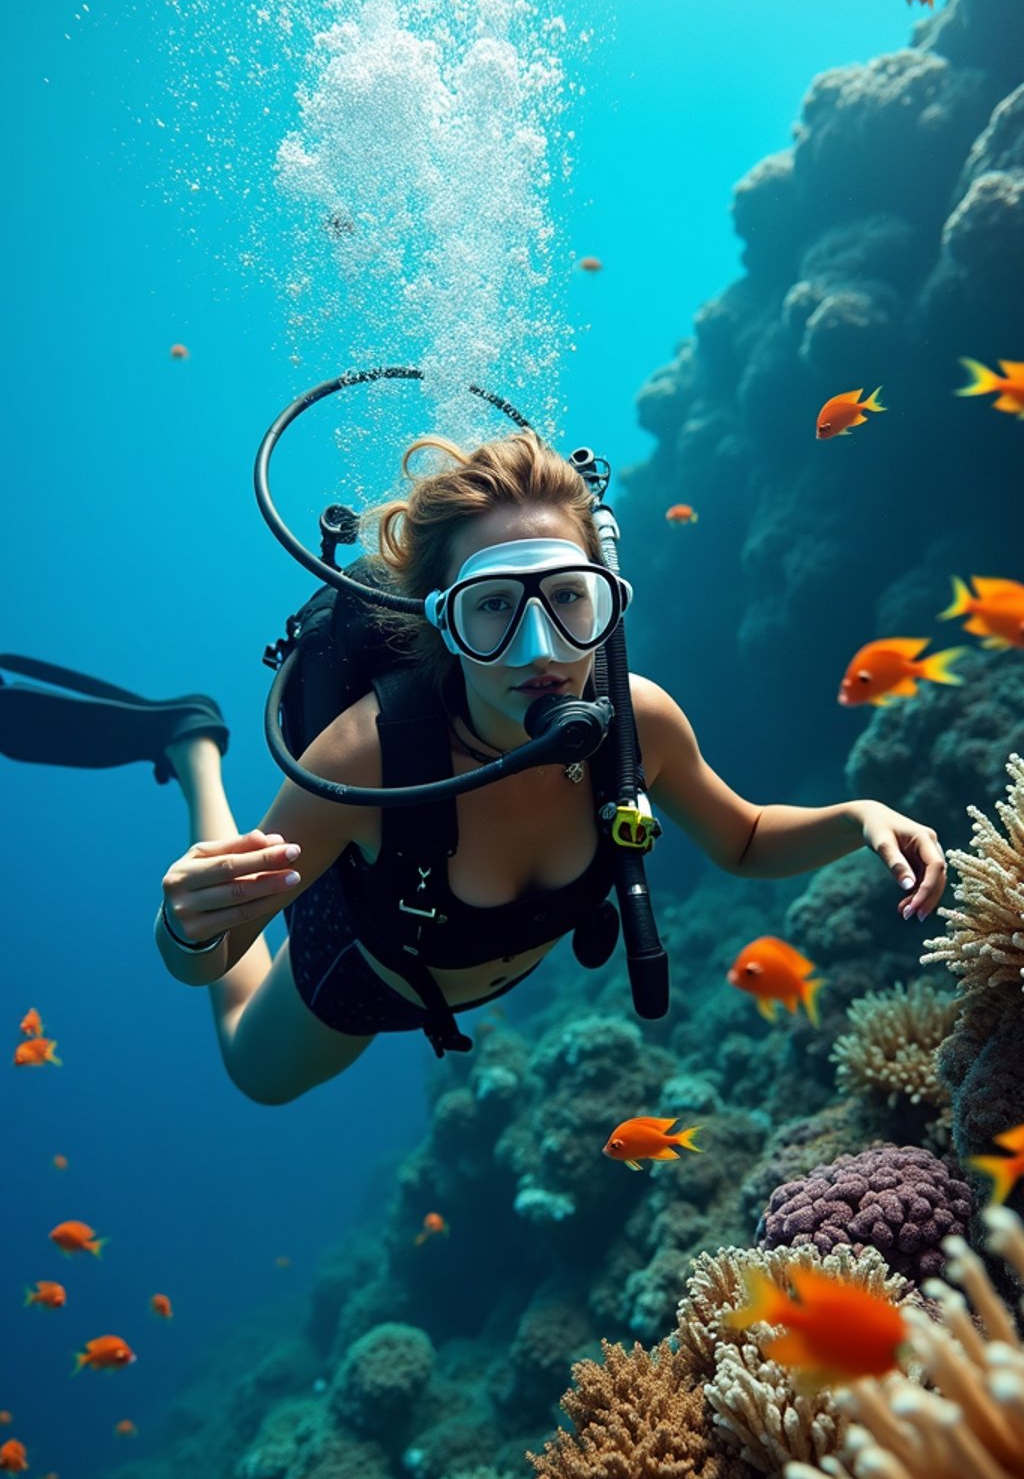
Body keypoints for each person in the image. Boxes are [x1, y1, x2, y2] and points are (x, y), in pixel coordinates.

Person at [0, 431, 946, 1105]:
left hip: (469, 960)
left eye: (570, 600)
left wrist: (859, 814)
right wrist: (183, 923)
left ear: (608, 601)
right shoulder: (366, 758)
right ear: (442, 621)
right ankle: (196, 752)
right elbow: (211, 951)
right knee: (254, 1071)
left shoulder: (636, 719)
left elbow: (740, 838)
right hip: (372, 970)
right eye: (494, 608)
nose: (541, 649)